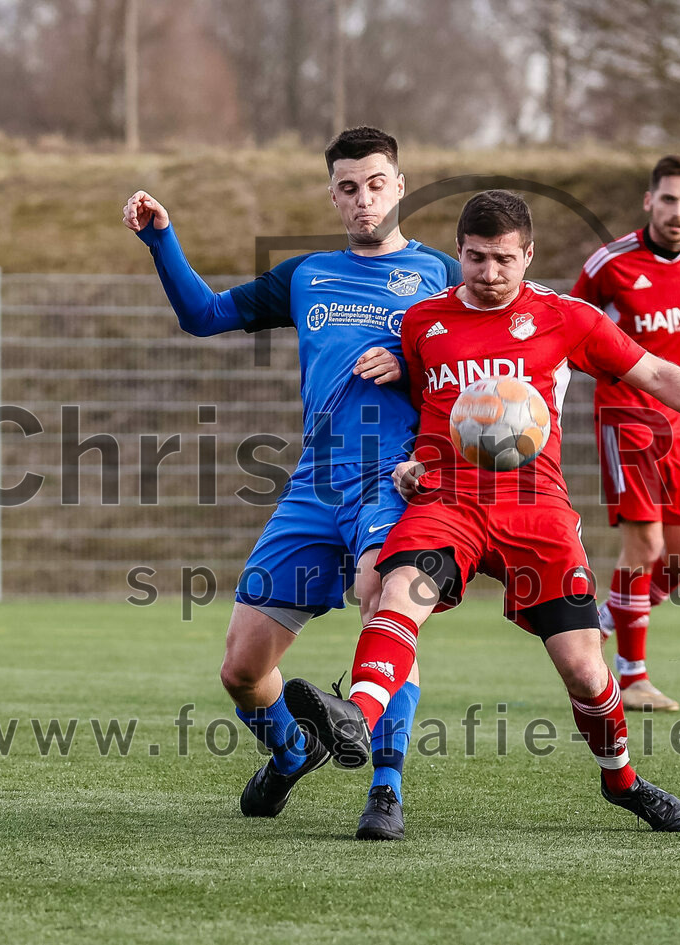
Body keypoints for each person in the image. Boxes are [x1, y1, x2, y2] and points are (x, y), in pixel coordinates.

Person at [284, 190, 680, 832]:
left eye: (504, 260)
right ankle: (355, 716)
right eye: (475, 260)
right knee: (395, 595)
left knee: (585, 671)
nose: (490, 275)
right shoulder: (422, 324)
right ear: (460, 254)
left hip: (537, 511)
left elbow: (658, 375)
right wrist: (408, 464)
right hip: (448, 501)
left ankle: (624, 781)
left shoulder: (566, 318)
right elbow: (414, 412)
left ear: (529, 255)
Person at [122, 126, 461, 841]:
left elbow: (480, 364)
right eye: (347, 187)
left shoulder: (442, 275)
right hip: (315, 482)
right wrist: (163, 240)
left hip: (396, 476)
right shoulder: (307, 275)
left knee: (385, 603)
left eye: (376, 184)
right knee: (242, 668)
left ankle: (386, 788)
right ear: (333, 194)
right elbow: (203, 316)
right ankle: (291, 749)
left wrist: (411, 363)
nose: (363, 199)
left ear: (399, 186)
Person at [571, 154, 680, 713]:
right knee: (645, 545)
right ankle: (631, 676)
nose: (679, 211)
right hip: (625, 415)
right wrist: (603, 375)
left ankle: (602, 623)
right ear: (649, 201)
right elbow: (573, 326)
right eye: (668, 199)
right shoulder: (610, 263)